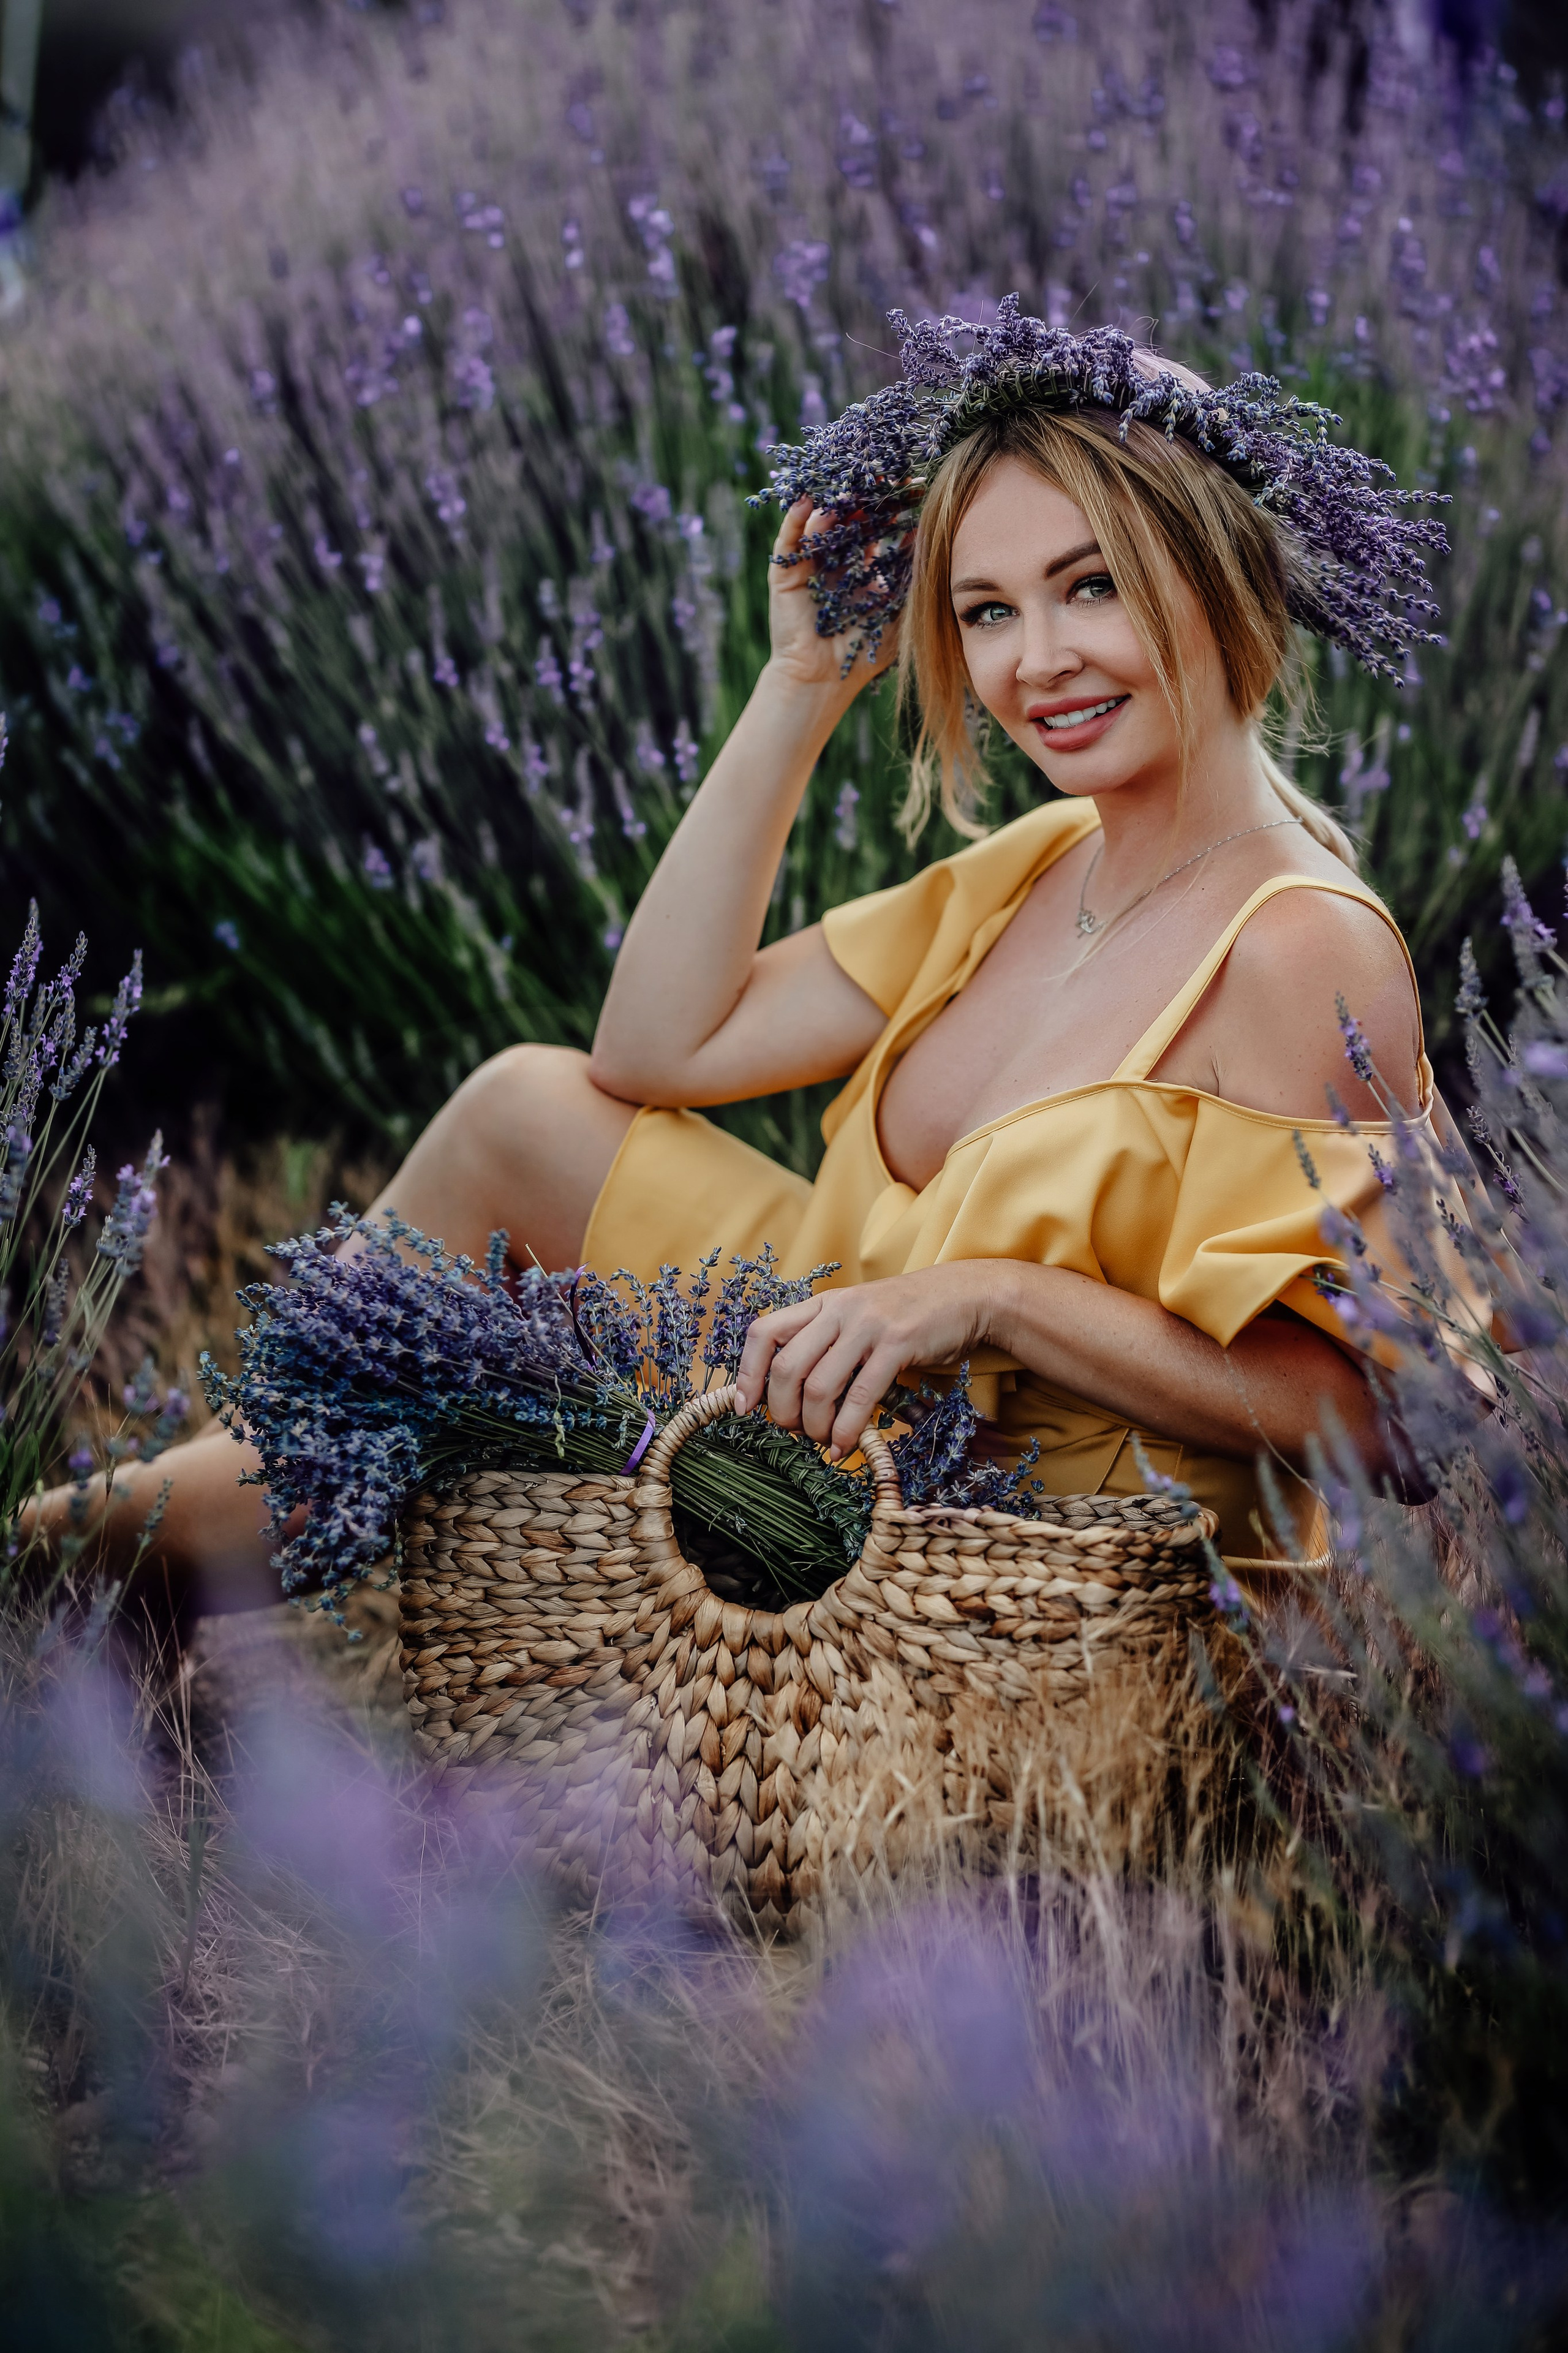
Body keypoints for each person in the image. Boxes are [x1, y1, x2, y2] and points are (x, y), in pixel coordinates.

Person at [41, 308, 1478, 1609]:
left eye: (1087, 585)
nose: (1034, 658)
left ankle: (92, 1555)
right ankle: (132, 1547)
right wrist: (796, 691)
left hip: (1033, 1542)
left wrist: (996, 1299)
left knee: (364, 1387)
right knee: (523, 1110)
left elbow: (1382, 1416)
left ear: (1220, 577)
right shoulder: (1040, 867)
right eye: (984, 610)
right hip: (831, 1385)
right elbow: (653, 1050)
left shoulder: (1298, 948)